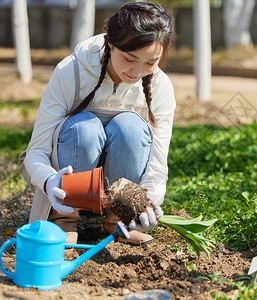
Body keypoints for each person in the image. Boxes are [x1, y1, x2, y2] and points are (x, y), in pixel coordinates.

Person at [19, 2, 175, 245]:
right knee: (85, 129)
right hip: (71, 185)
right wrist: (50, 182)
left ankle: (117, 222)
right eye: (129, 58)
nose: (136, 71)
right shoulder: (71, 71)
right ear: (110, 43)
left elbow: (157, 160)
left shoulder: (160, 87)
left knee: (131, 128)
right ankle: (64, 219)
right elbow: (36, 152)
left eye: (150, 62)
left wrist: (149, 202)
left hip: (116, 189)